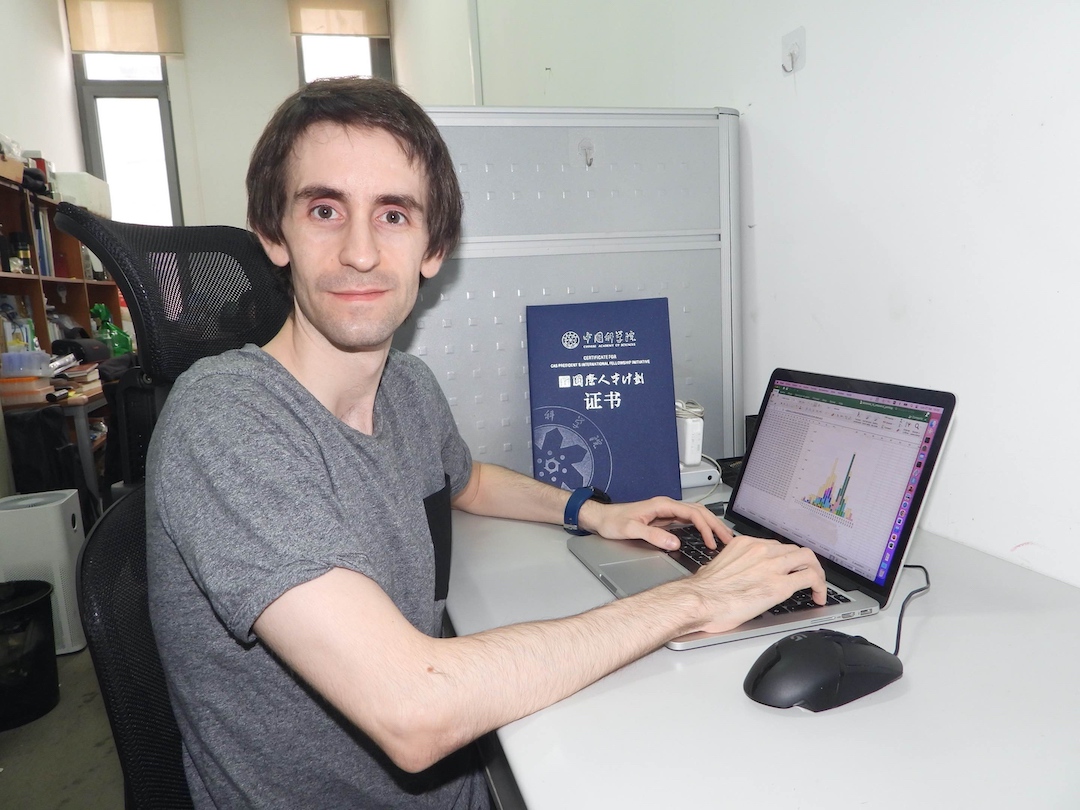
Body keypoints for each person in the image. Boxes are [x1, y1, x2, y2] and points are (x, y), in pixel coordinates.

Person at [145, 77, 826, 809]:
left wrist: (593, 513)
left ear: (433, 247)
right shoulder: (225, 419)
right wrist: (696, 599)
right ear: (273, 234)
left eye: (394, 215)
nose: (361, 253)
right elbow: (414, 709)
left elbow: (466, 480)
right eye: (324, 210)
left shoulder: (405, 386)